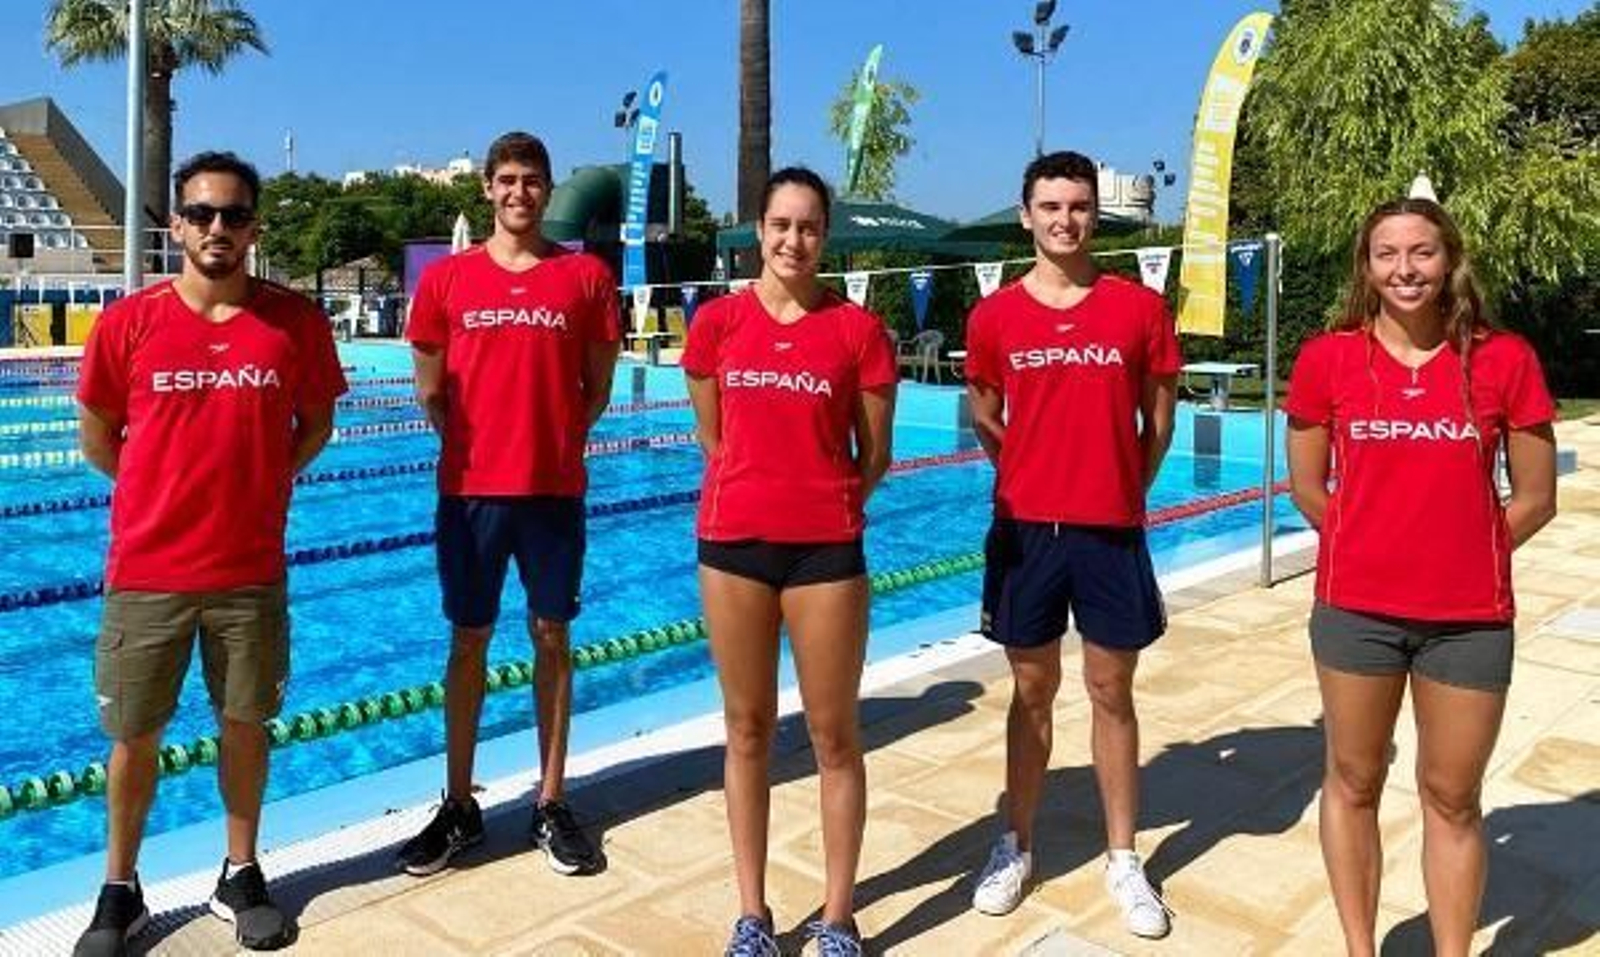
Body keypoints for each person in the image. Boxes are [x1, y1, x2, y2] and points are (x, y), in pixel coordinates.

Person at [73, 151, 347, 956]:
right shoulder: (131, 323)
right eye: (200, 214)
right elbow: (97, 435)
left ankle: (240, 868)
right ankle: (119, 887)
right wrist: (158, 491)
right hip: (147, 571)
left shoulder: (294, 324)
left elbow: (317, 424)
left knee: (245, 723)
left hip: (249, 570)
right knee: (133, 737)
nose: (216, 228)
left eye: (232, 215)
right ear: (177, 224)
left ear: (254, 226)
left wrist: (264, 479)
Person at [1284, 197, 1557, 957]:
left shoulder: (1504, 359)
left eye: (1422, 252)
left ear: (1450, 260)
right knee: (1353, 778)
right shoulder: (1327, 358)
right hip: (1355, 614)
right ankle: (1359, 948)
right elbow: (1309, 485)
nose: (1405, 269)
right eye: (1387, 254)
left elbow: (1536, 496)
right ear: (1366, 268)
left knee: (1453, 796)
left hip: (1469, 618)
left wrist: (1469, 551)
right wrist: (1362, 542)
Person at [964, 150, 1180, 938]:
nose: (1065, 220)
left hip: (1109, 529)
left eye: (1079, 206)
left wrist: (1124, 483)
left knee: (1110, 690)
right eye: (1050, 206)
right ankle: (1014, 841)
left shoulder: (1136, 310)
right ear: (1026, 215)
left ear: (1096, 214)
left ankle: (1123, 856)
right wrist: (1026, 470)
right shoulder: (994, 318)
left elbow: (1160, 419)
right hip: (1026, 529)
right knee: (1030, 691)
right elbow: (985, 409)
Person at [682, 167, 897, 957]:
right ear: (759, 232)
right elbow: (715, 435)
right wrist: (753, 483)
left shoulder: (858, 333)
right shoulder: (717, 324)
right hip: (734, 544)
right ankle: (753, 911)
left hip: (825, 550)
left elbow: (873, 454)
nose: (792, 240)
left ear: (824, 235)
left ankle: (838, 915)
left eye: (808, 227)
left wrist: (822, 496)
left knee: (835, 733)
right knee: (746, 729)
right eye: (780, 225)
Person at [398, 131, 620, 877]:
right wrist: (483, 442)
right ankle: (460, 802)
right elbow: (431, 389)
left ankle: (550, 801)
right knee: (468, 643)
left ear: (547, 189)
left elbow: (597, 385)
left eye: (532, 180)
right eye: (507, 179)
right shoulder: (447, 282)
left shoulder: (584, 279)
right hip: (470, 494)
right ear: (487, 189)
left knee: (553, 638)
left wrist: (548, 439)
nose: (519, 191)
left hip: (553, 491)